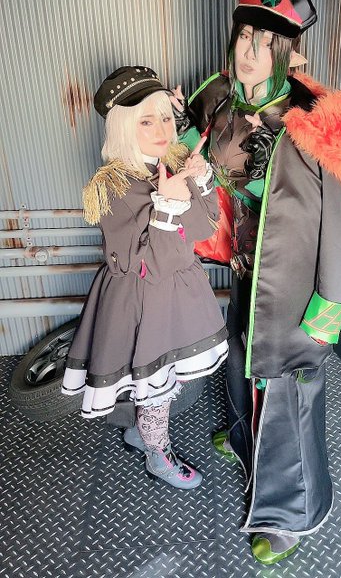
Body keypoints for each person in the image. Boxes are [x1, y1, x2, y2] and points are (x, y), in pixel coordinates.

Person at [176, 0, 341, 562]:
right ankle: (246, 440)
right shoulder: (217, 96)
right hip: (244, 267)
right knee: (243, 357)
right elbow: (188, 145)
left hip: (293, 285)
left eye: (265, 43)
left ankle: (293, 513)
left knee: (288, 390)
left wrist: (330, 303)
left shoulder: (316, 116)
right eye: (244, 35)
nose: (250, 52)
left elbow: (338, 220)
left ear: (287, 49)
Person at [62, 65, 228, 490]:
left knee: (167, 380)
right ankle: (157, 455)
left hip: (179, 291)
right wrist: (166, 209)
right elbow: (144, 264)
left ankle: (144, 433)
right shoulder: (110, 186)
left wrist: (201, 181)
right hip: (142, 302)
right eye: (146, 121)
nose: (162, 130)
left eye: (166, 118)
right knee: (155, 384)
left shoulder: (171, 163)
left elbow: (204, 227)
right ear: (123, 127)